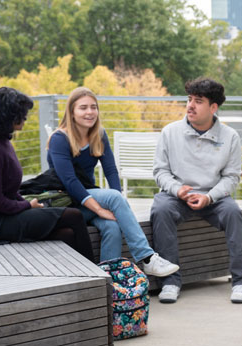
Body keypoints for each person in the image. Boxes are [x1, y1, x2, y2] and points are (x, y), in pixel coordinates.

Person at [47, 87, 179, 277]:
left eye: (93, 107)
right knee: (113, 199)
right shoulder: (60, 139)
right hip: (68, 202)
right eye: (83, 108)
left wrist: (117, 199)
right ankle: (147, 258)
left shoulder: (98, 134)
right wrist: (101, 209)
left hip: (87, 201)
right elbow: (70, 182)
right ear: (72, 112)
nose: (90, 112)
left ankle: (108, 282)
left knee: (113, 228)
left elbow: (110, 169)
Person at [150, 77, 242, 304]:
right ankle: (169, 282)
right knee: (160, 209)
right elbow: (160, 172)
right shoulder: (170, 132)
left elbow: (231, 177)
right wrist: (177, 190)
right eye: (189, 99)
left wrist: (209, 197)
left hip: (213, 197)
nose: (190, 106)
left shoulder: (230, 137)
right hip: (177, 196)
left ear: (213, 107)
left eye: (198, 101)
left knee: (235, 214)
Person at [0, 87, 94, 261]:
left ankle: (84, 279)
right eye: (21, 113)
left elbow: (8, 192)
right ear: (7, 115)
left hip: (4, 215)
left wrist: (27, 203)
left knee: (67, 234)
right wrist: (27, 206)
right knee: (74, 216)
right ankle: (99, 276)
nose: (25, 117)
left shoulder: (1, 140)